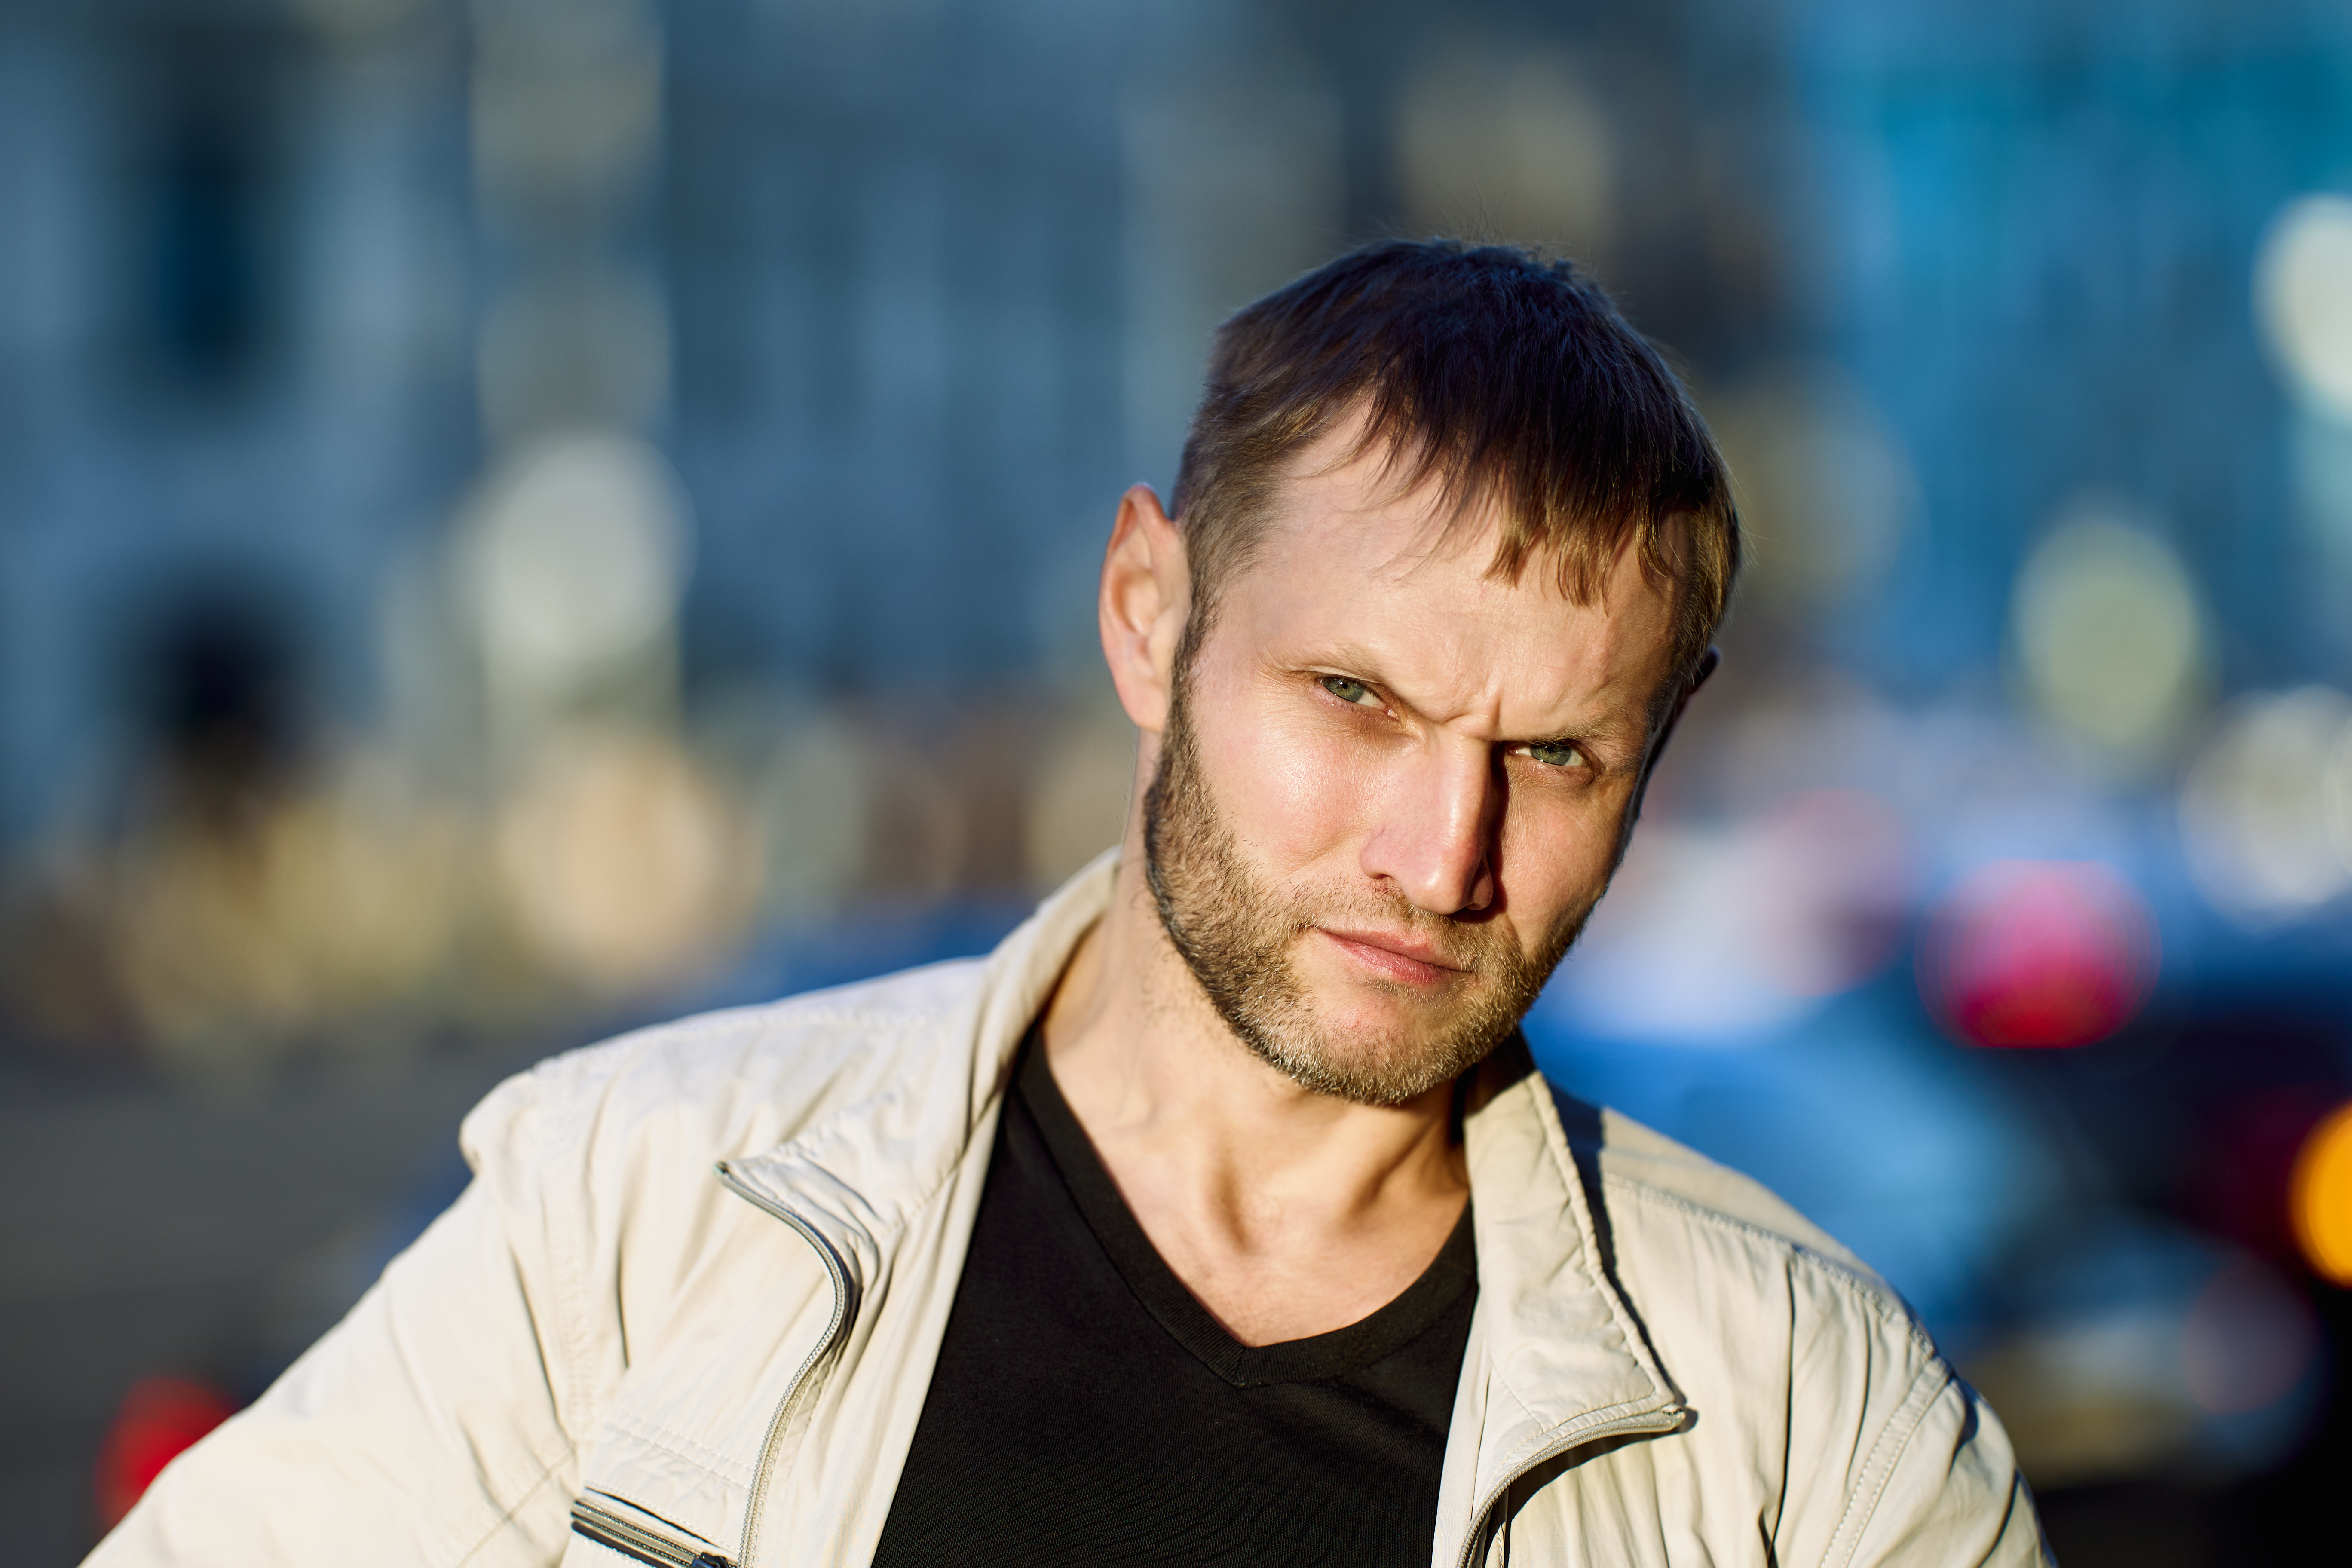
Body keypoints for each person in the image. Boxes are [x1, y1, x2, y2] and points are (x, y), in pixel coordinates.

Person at [86, 241, 2048, 1568]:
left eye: (1552, 760)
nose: (1440, 853)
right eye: (1354, 699)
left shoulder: (1813, 1424)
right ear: (1149, 618)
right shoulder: (649, 1207)